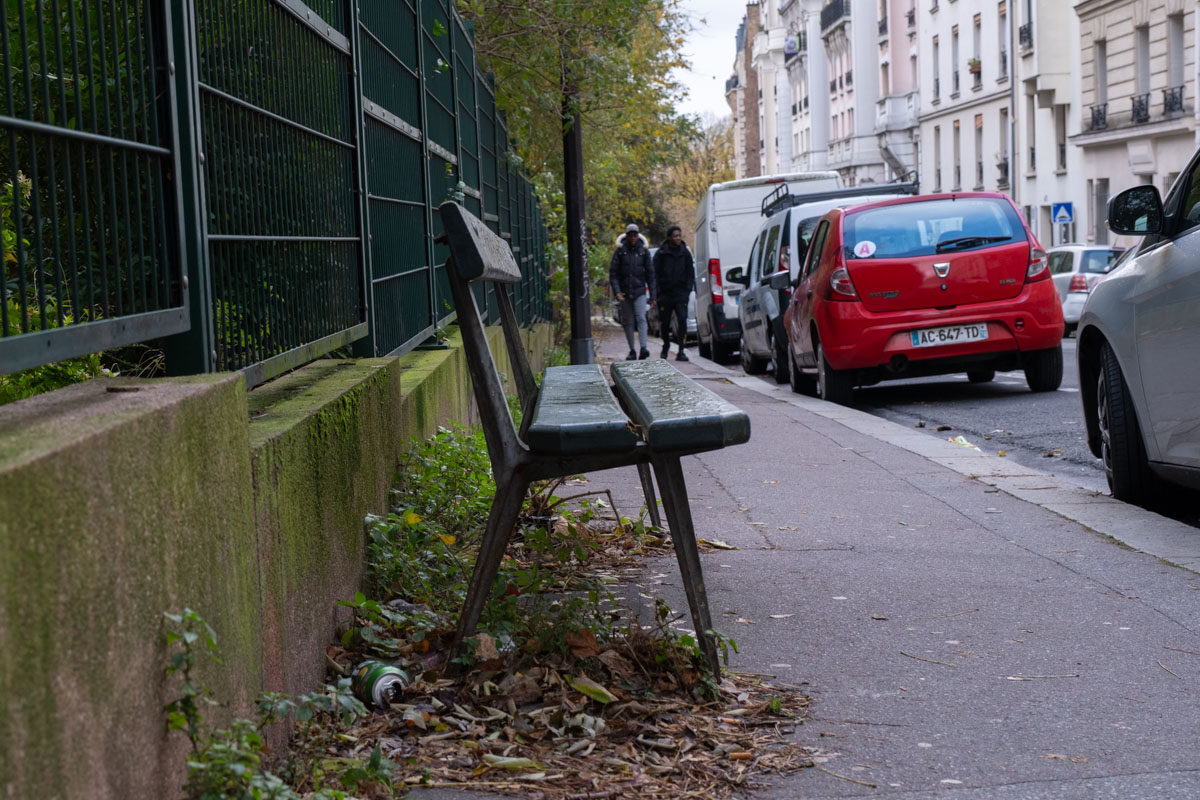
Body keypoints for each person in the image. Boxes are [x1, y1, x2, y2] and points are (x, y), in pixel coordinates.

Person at [609, 223, 656, 360]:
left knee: (641, 318)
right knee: (628, 322)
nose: (633, 237)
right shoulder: (619, 252)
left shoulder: (644, 252)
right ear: (627, 235)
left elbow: (651, 275)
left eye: (635, 235)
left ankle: (643, 348)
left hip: (639, 291)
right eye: (630, 235)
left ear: (638, 235)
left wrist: (653, 296)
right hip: (624, 293)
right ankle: (632, 350)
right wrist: (617, 292)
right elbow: (613, 273)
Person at [652, 225, 695, 361]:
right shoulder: (661, 254)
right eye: (675, 236)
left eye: (679, 236)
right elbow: (654, 274)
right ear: (669, 237)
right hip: (665, 294)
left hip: (681, 293)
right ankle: (666, 345)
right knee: (665, 322)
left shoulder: (685, 253)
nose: (677, 238)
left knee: (682, 320)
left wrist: (687, 290)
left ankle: (681, 350)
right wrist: (658, 292)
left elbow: (690, 272)